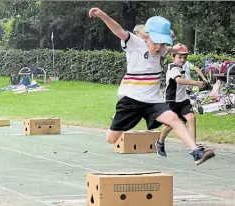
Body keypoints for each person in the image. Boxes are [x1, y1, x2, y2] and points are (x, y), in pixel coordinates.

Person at [88, 7, 215, 165]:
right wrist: (101, 15)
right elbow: (118, 29)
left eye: (162, 42)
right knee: (111, 139)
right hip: (131, 99)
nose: (158, 47)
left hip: (152, 101)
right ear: (147, 36)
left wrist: (177, 48)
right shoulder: (134, 42)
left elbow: (170, 49)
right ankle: (117, 118)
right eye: (156, 41)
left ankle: (196, 152)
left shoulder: (162, 49)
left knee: (174, 119)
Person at [156, 45, 206, 157]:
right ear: (173, 57)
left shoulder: (185, 65)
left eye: (185, 57)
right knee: (170, 126)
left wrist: (203, 79)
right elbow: (179, 80)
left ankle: (193, 148)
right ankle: (160, 142)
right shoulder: (172, 67)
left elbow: (195, 69)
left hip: (183, 100)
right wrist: (196, 83)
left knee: (191, 119)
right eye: (179, 57)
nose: (182, 60)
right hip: (171, 101)